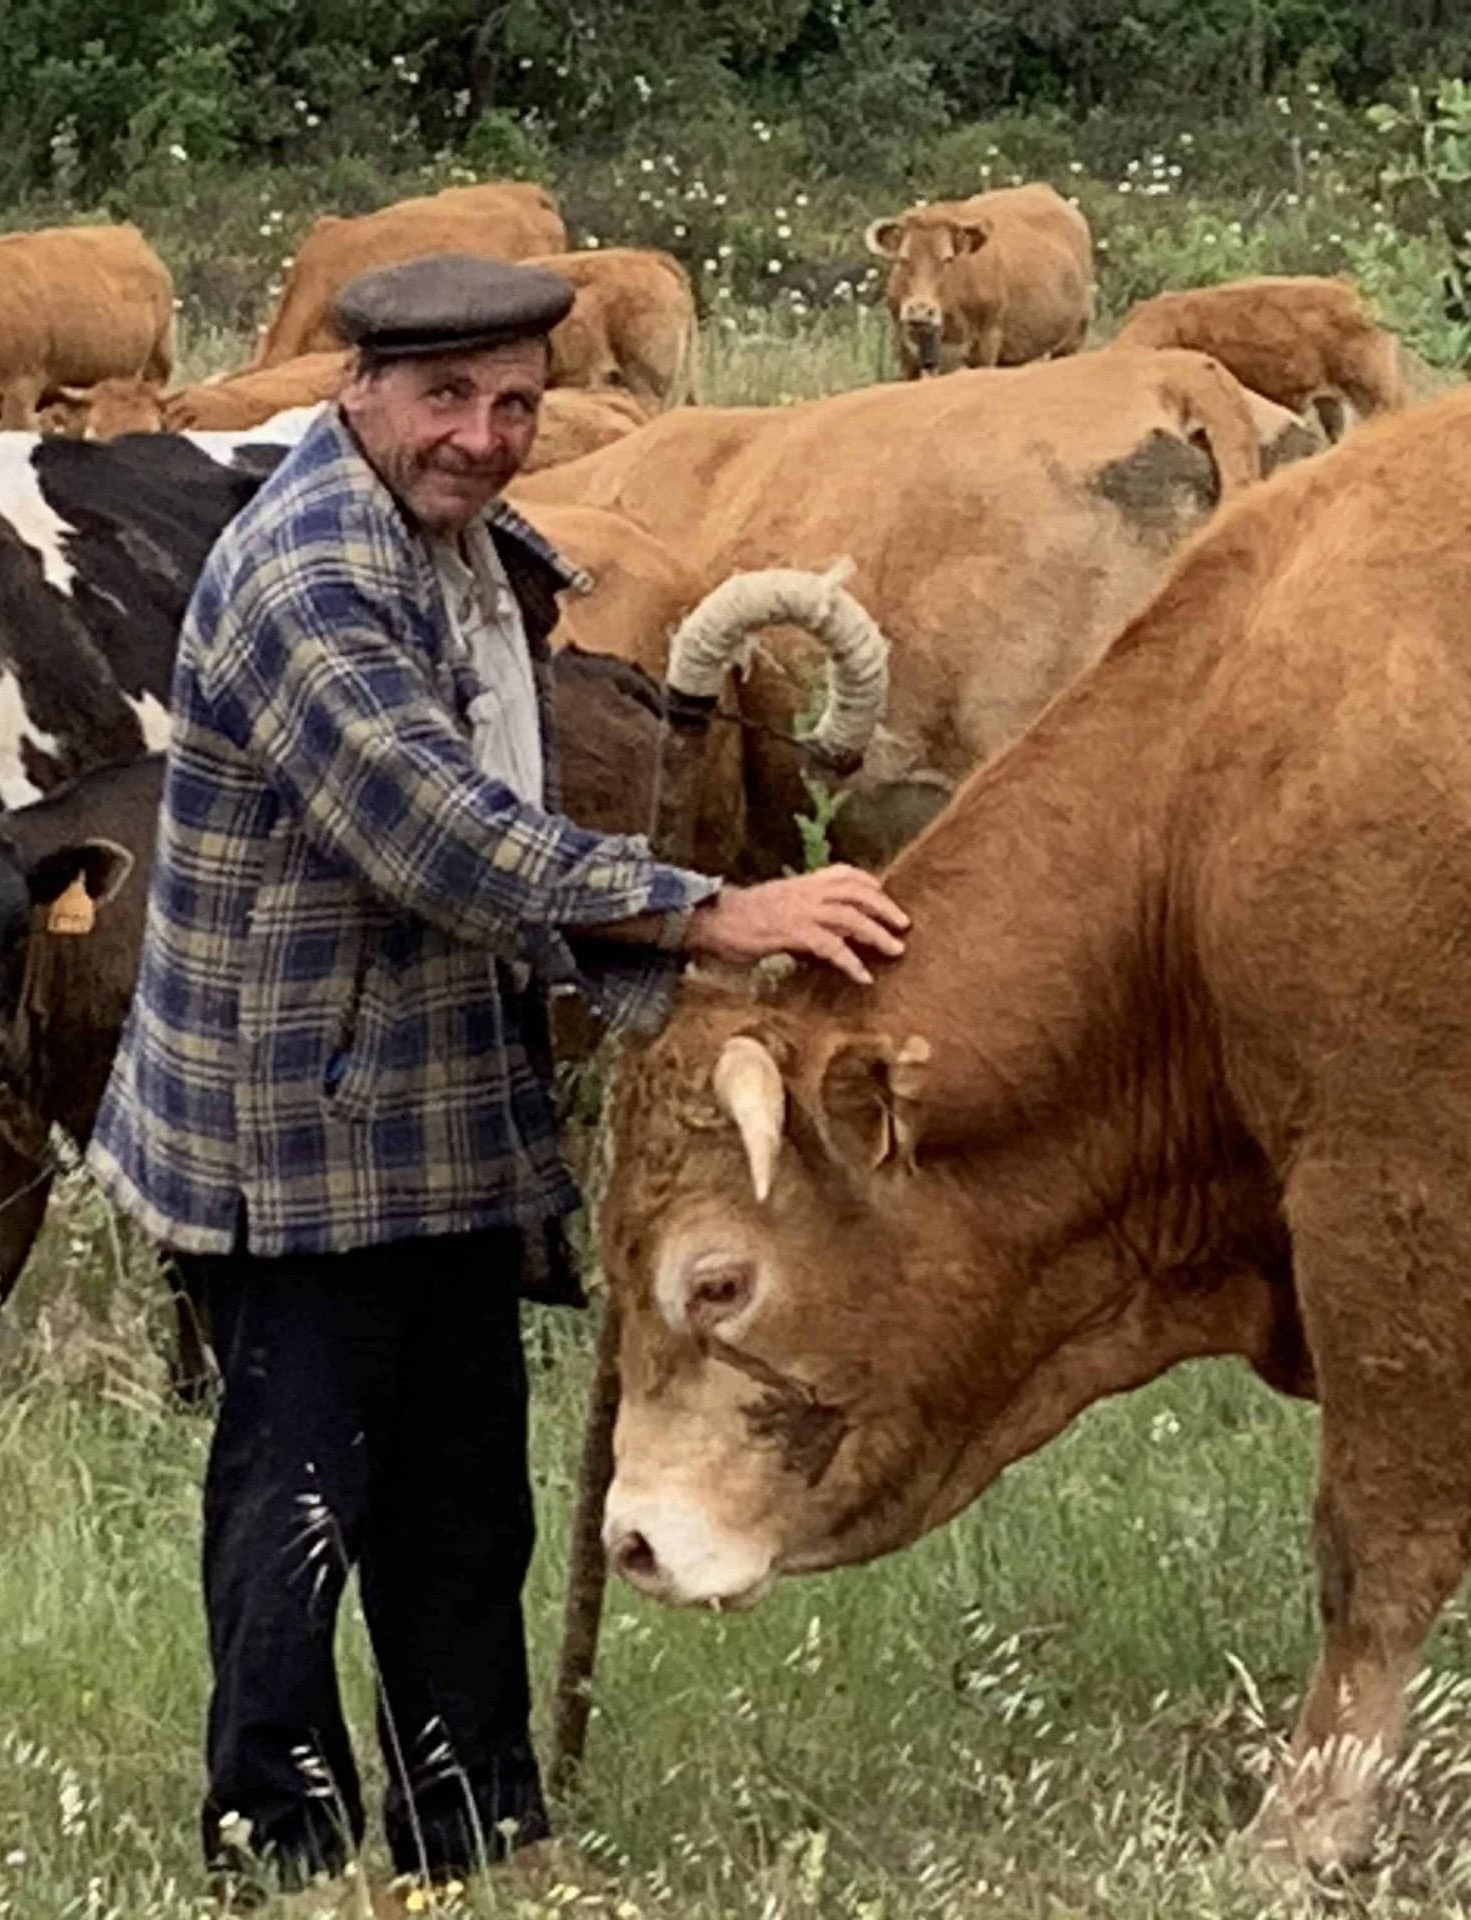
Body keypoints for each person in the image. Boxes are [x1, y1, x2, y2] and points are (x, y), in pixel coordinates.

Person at [85, 253, 908, 1908]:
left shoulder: (459, 551)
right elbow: (429, 828)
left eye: (517, 402)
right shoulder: (311, 572)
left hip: (435, 1101)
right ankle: (284, 1844)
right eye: (446, 399)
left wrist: (680, 946)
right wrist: (705, 913)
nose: (484, 435)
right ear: (358, 392)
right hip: (295, 1118)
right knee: (298, 1508)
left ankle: (476, 1833)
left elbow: (498, 816)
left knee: (464, 1506)